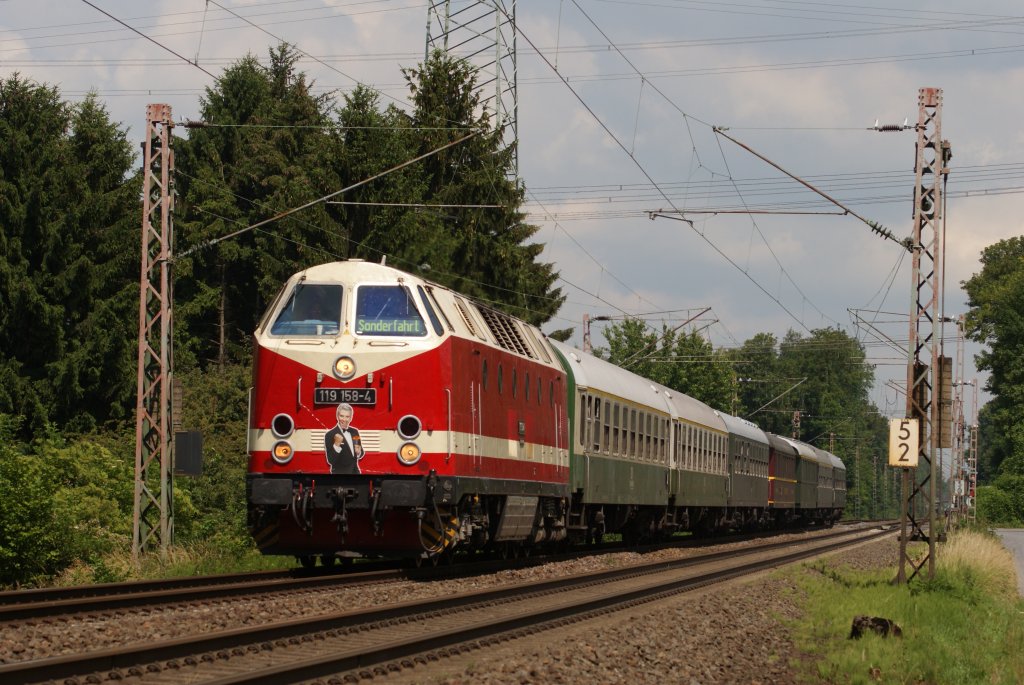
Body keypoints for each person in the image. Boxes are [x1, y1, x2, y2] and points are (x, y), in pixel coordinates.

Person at [324, 403, 363, 474]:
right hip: (339, 475)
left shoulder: (355, 432)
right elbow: (330, 460)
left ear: (351, 418)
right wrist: (336, 445)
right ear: (337, 416)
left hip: (355, 473)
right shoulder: (330, 434)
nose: (344, 419)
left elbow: (361, 452)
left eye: (347, 416)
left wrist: (359, 452)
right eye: (341, 416)